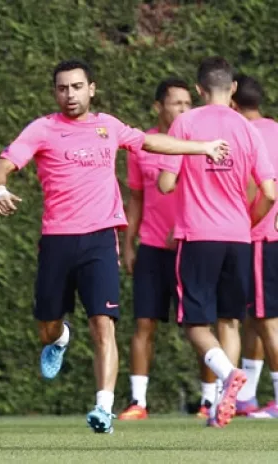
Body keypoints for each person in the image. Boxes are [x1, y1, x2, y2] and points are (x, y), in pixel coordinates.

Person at [0, 59, 228, 434]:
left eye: (77, 87)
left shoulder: (108, 126)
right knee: (47, 327)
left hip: (101, 238)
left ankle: (104, 408)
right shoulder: (42, 129)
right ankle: (61, 338)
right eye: (63, 88)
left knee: (104, 324)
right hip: (57, 240)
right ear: (55, 92)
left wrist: (203, 147)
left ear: (92, 89)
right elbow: (2, 165)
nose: (70, 95)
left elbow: (150, 141)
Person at [157, 57, 276, 428]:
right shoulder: (248, 128)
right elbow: (270, 193)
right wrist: (248, 220)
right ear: (234, 90)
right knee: (230, 322)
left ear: (198, 89)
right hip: (239, 238)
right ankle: (223, 404)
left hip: (198, 235)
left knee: (194, 322)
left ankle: (228, 377)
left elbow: (165, 184)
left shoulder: (186, 122)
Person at [118, 78, 193, 420]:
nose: (183, 110)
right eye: (176, 103)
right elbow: (136, 198)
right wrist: (128, 244)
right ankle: (139, 403)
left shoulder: (197, 145)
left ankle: (210, 402)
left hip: (190, 245)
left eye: (188, 104)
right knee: (144, 324)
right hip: (150, 246)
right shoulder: (142, 147)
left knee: (200, 323)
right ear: (158, 107)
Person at [230, 73, 278, 419]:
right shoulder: (275, 129)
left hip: (261, 236)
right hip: (270, 236)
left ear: (233, 102)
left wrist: (243, 225)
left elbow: (259, 189)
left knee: (267, 320)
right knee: (254, 317)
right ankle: (246, 396)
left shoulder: (243, 133)